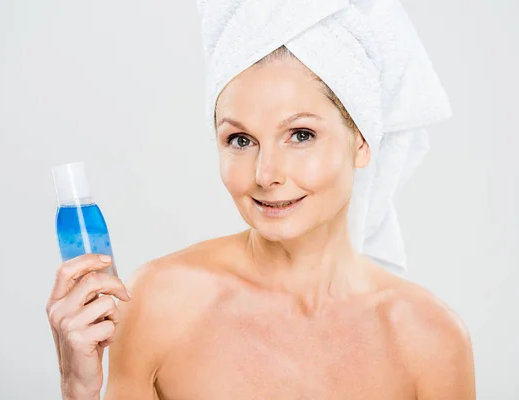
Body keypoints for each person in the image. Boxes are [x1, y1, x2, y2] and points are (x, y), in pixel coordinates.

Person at [46, 4, 476, 400]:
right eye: (240, 139)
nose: (265, 173)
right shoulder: (160, 303)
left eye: (301, 135)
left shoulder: (429, 340)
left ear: (363, 141)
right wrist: (78, 388)